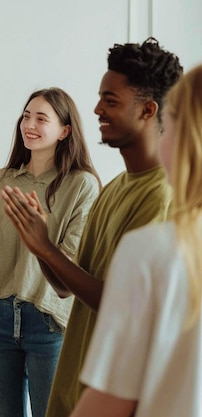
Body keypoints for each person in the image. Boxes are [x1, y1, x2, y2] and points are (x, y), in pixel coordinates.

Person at [0, 37, 183, 416]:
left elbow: (120, 303)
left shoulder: (160, 197)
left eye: (111, 101)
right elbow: (67, 288)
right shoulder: (114, 188)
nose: (97, 108)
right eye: (101, 97)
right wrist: (40, 243)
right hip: (75, 389)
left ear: (148, 111)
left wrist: (46, 248)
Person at [68, 62, 202, 417]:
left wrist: (43, 247)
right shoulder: (112, 191)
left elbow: (111, 400)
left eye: (170, 125)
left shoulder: (155, 249)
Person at [0, 87, 100, 417]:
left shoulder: (82, 185)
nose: (30, 124)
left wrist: (41, 239)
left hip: (50, 320)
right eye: (26, 116)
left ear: (65, 131)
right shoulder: (0, 180)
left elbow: (71, 267)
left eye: (41, 118)